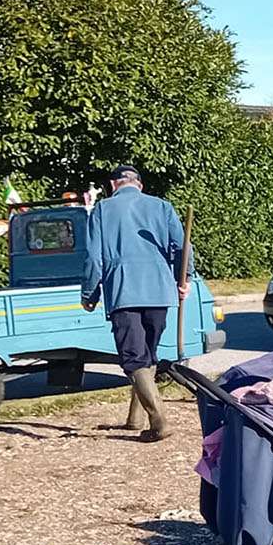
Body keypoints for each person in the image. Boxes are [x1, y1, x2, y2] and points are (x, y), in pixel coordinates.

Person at [80, 165, 191, 442]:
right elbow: (182, 247)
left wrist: (89, 294)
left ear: (112, 184)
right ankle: (135, 419)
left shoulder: (103, 210)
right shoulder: (162, 206)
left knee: (133, 357)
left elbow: (94, 259)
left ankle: (159, 422)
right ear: (139, 184)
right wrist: (183, 279)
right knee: (147, 354)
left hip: (124, 291)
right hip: (159, 290)